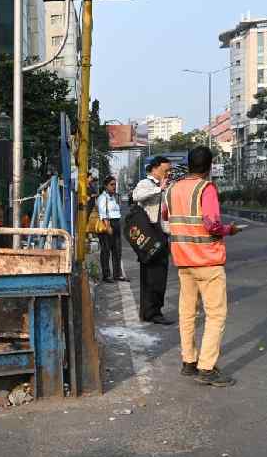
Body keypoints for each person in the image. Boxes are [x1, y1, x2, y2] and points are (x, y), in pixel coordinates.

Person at [163, 146, 241, 387]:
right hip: (207, 260)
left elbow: (165, 216)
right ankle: (206, 368)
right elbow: (212, 225)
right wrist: (229, 230)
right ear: (209, 166)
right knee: (215, 315)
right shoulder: (206, 188)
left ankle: (189, 361)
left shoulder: (172, 189)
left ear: (189, 164)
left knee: (187, 312)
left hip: (183, 260)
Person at [132, 156, 173, 325]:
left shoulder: (166, 186)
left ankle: (153, 310)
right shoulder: (145, 184)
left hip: (162, 234)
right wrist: (159, 189)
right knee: (150, 275)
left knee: (160, 274)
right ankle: (150, 312)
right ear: (155, 169)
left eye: (169, 170)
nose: (168, 173)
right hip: (150, 235)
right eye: (165, 170)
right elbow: (136, 196)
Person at [97, 176, 127, 283]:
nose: (114, 187)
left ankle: (117, 274)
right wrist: (108, 226)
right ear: (106, 186)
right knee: (106, 251)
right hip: (107, 224)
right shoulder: (102, 198)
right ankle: (106, 275)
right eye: (112, 184)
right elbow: (103, 213)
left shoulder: (114, 198)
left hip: (116, 224)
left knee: (117, 251)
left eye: (115, 184)